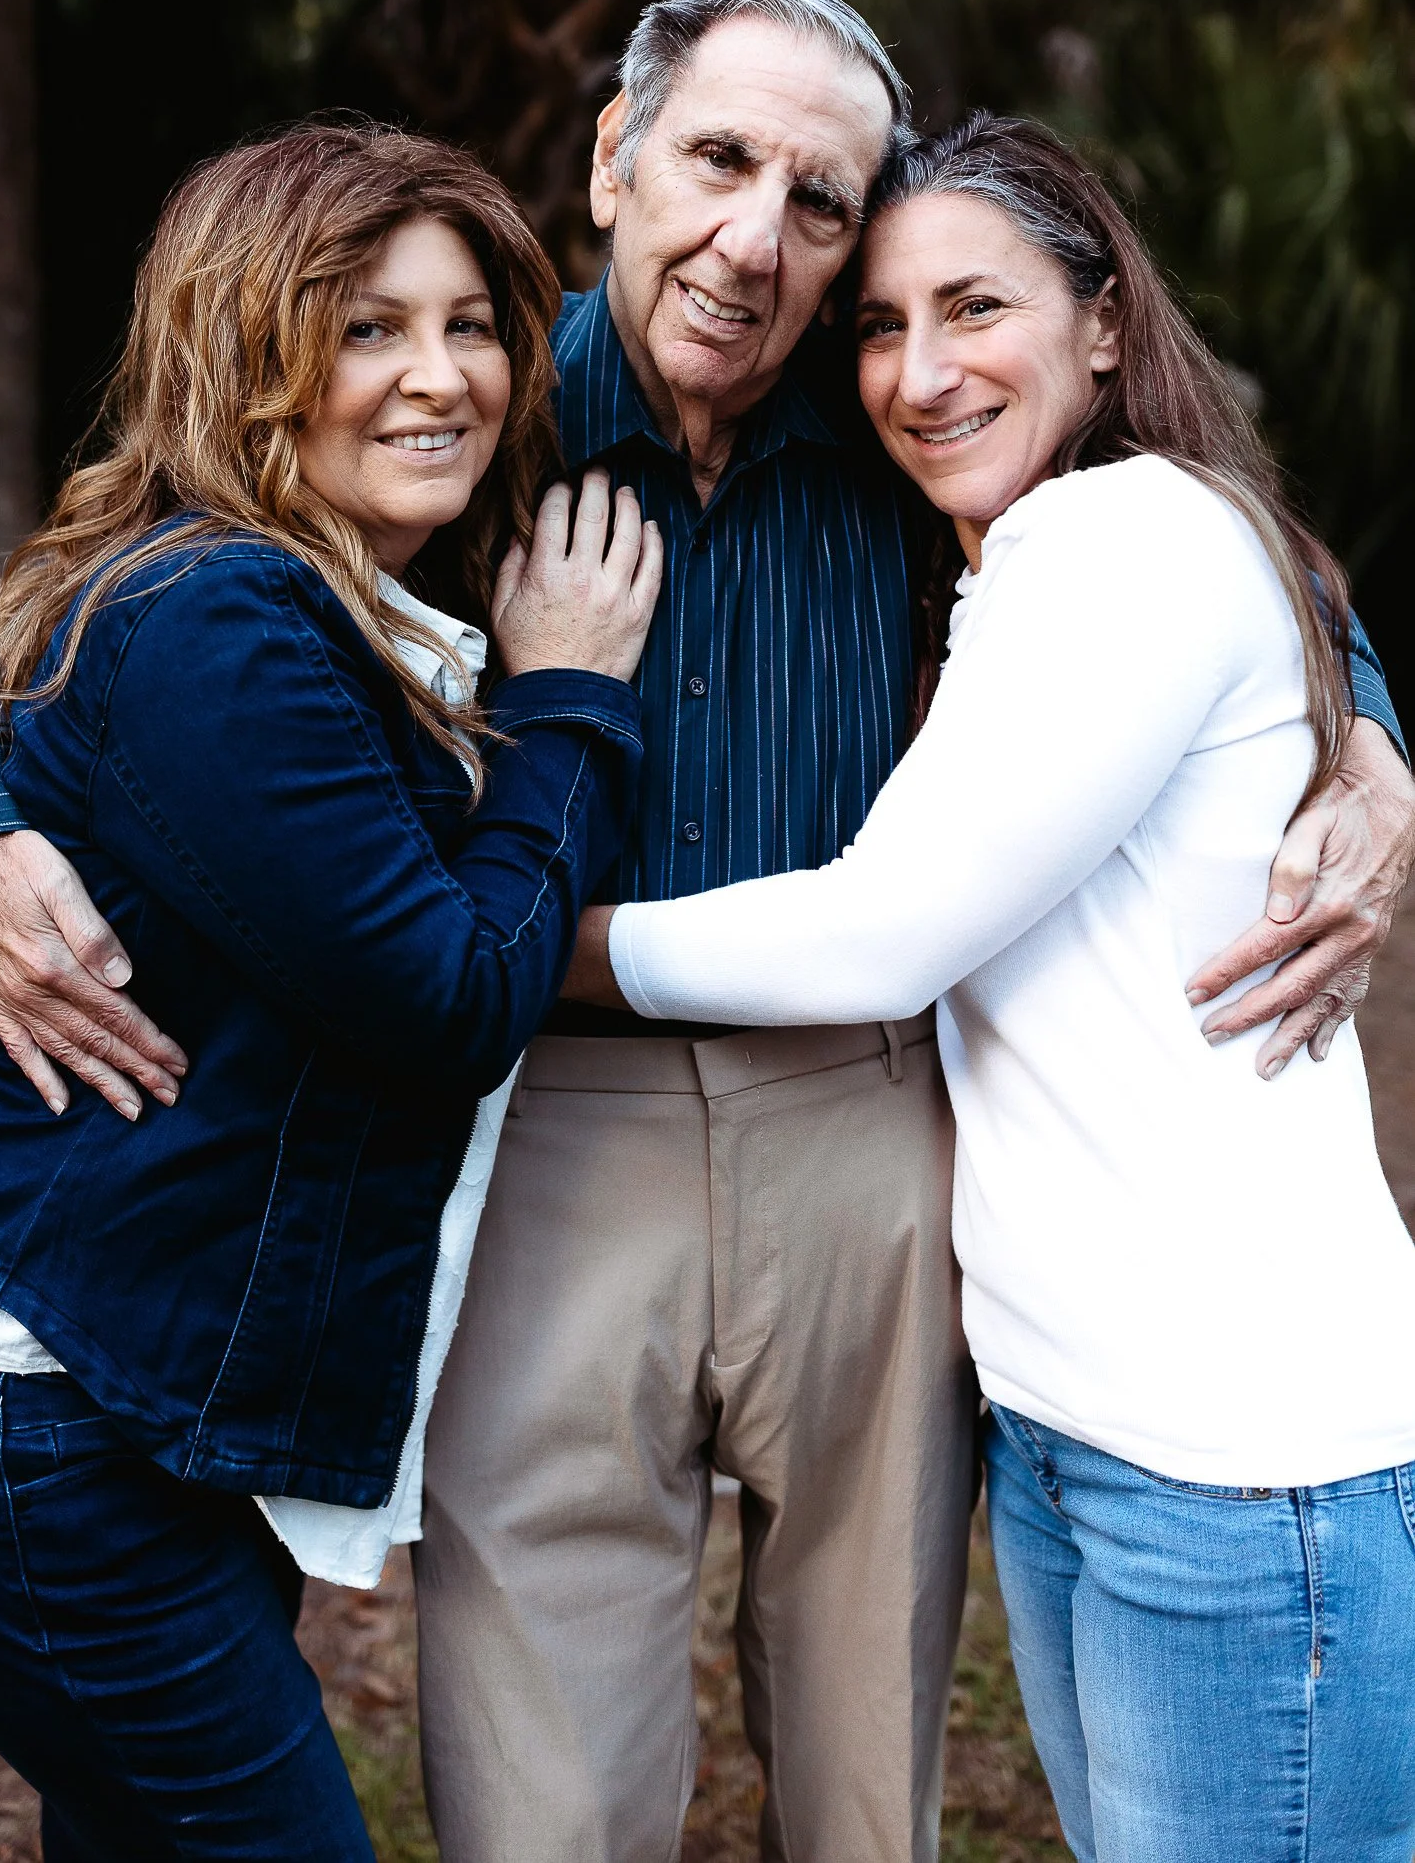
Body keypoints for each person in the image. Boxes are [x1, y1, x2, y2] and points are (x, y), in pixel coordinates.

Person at [0, 0, 1415, 1863]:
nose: (753, 237)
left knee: (865, 1764)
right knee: (542, 1765)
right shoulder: (460, 407)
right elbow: (129, 593)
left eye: (818, 198)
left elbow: (1209, 543)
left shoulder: (904, 408)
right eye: (716, 159)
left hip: (871, 1134)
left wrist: (1376, 748)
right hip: (539, 1127)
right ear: (615, 160)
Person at [583, 114, 1415, 1863]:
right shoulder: (1015, 558)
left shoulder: (1127, 543)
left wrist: (541, 949)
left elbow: (880, 932)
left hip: (1233, 1446)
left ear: (1104, 321)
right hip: (1072, 1423)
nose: (919, 370)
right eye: (879, 325)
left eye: (975, 308)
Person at [0, 123, 660, 1863]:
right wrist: (575, 698)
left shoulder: (325, 604)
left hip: (133, 1415)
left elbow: (18, 714)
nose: (438, 377)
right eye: (365, 328)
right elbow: (447, 995)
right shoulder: (233, 615)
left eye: (469, 325)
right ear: (245, 350)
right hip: (35, 1415)